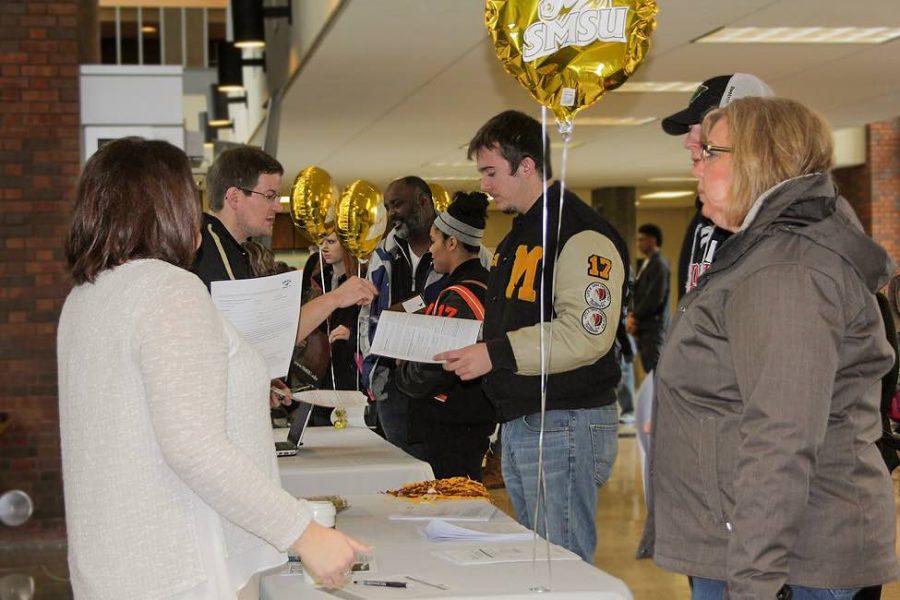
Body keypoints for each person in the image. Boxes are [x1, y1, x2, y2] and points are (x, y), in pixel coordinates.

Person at [58, 138, 369, 599]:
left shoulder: (86, 296)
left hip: (115, 561)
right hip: (174, 564)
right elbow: (192, 445)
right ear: (170, 208)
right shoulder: (169, 291)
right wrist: (304, 534)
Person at [651, 97, 899, 599]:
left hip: (791, 562)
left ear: (756, 159)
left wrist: (755, 583)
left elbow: (780, 441)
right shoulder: (767, 254)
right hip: (759, 548)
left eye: (710, 153)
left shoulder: (785, 272)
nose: (696, 166)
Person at [437, 110, 629, 563]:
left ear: (526, 166)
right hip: (532, 419)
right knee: (539, 562)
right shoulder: (524, 231)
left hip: (565, 420)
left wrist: (496, 353)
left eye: (490, 172)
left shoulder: (580, 232)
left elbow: (586, 333)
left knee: (559, 566)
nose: (484, 184)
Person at [192, 147, 376, 407]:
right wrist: (336, 297)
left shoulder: (230, 249)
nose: (277, 206)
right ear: (234, 197)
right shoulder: (213, 251)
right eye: (269, 196)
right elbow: (259, 338)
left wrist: (260, 380)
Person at [395, 192, 498, 480]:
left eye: (435, 240)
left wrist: (401, 366)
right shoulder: (487, 284)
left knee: (452, 511)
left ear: (452, 242)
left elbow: (435, 368)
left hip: (451, 426)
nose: (430, 249)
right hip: (471, 419)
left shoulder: (458, 296)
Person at [661, 73, 773, 299]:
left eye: (703, 126)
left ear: (748, 134)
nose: (688, 141)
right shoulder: (706, 213)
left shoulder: (776, 221)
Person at [305, 232, 364, 425]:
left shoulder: (361, 279)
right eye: (321, 242)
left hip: (349, 373)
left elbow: (371, 320)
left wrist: (352, 334)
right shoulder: (316, 276)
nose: (324, 247)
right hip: (318, 370)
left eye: (331, 242)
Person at [626, 223, 670, 374]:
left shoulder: (659, 264)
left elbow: (654, 298)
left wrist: (635, 317)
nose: (639, 243)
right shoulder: (648, 263)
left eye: (642, 239)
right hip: (645, 328)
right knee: (649, 370)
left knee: (656, 371)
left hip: (654, 328)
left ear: (653, 240)